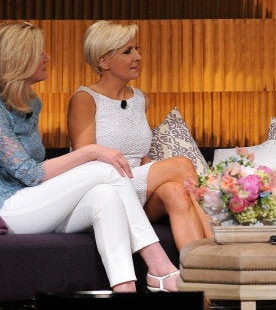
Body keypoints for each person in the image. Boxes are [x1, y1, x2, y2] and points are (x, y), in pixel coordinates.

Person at [0, 22, 180, 293]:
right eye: (40, 52)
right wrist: (92, 151)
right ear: (19, 59)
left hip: (32, 201)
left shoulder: (31, 102)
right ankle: (160, 265)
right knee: (105, 168)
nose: (47, 57)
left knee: (105, 196)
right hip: (1, 208)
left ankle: (126, 289)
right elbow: (30, 173)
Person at [67, 20, 212, 251]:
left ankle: (198, 270)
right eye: (127, 51)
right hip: (104, 189)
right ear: (103, 61)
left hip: (137, 191)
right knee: (182, 165)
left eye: (137, 49)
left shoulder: (141, 99)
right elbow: (85, 162)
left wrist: (155, 174)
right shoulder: (84, 99)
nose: (138, 57)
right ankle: (221, 252)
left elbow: (139, 155)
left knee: (176, 190)